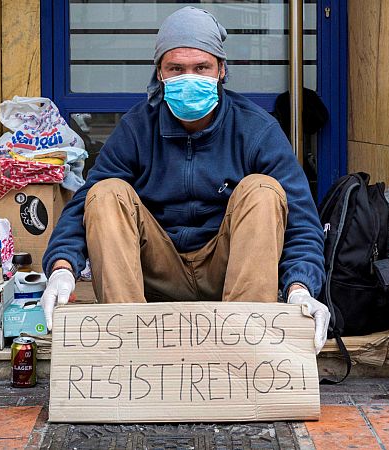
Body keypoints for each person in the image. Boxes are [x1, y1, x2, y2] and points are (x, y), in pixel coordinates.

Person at [39, 7, 329, 352]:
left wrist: (300, 287)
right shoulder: (136, 127)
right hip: (157, 273)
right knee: (105, 193)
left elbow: (301, 220)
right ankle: (131, 349)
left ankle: (245, 348)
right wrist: (61, 267)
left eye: (201, 68)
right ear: (159, 74)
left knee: (263, 191)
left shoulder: (256, 129)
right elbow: (82, 208)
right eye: (176, 68)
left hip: (230, 272)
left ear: (221, 70)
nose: (188, 77)